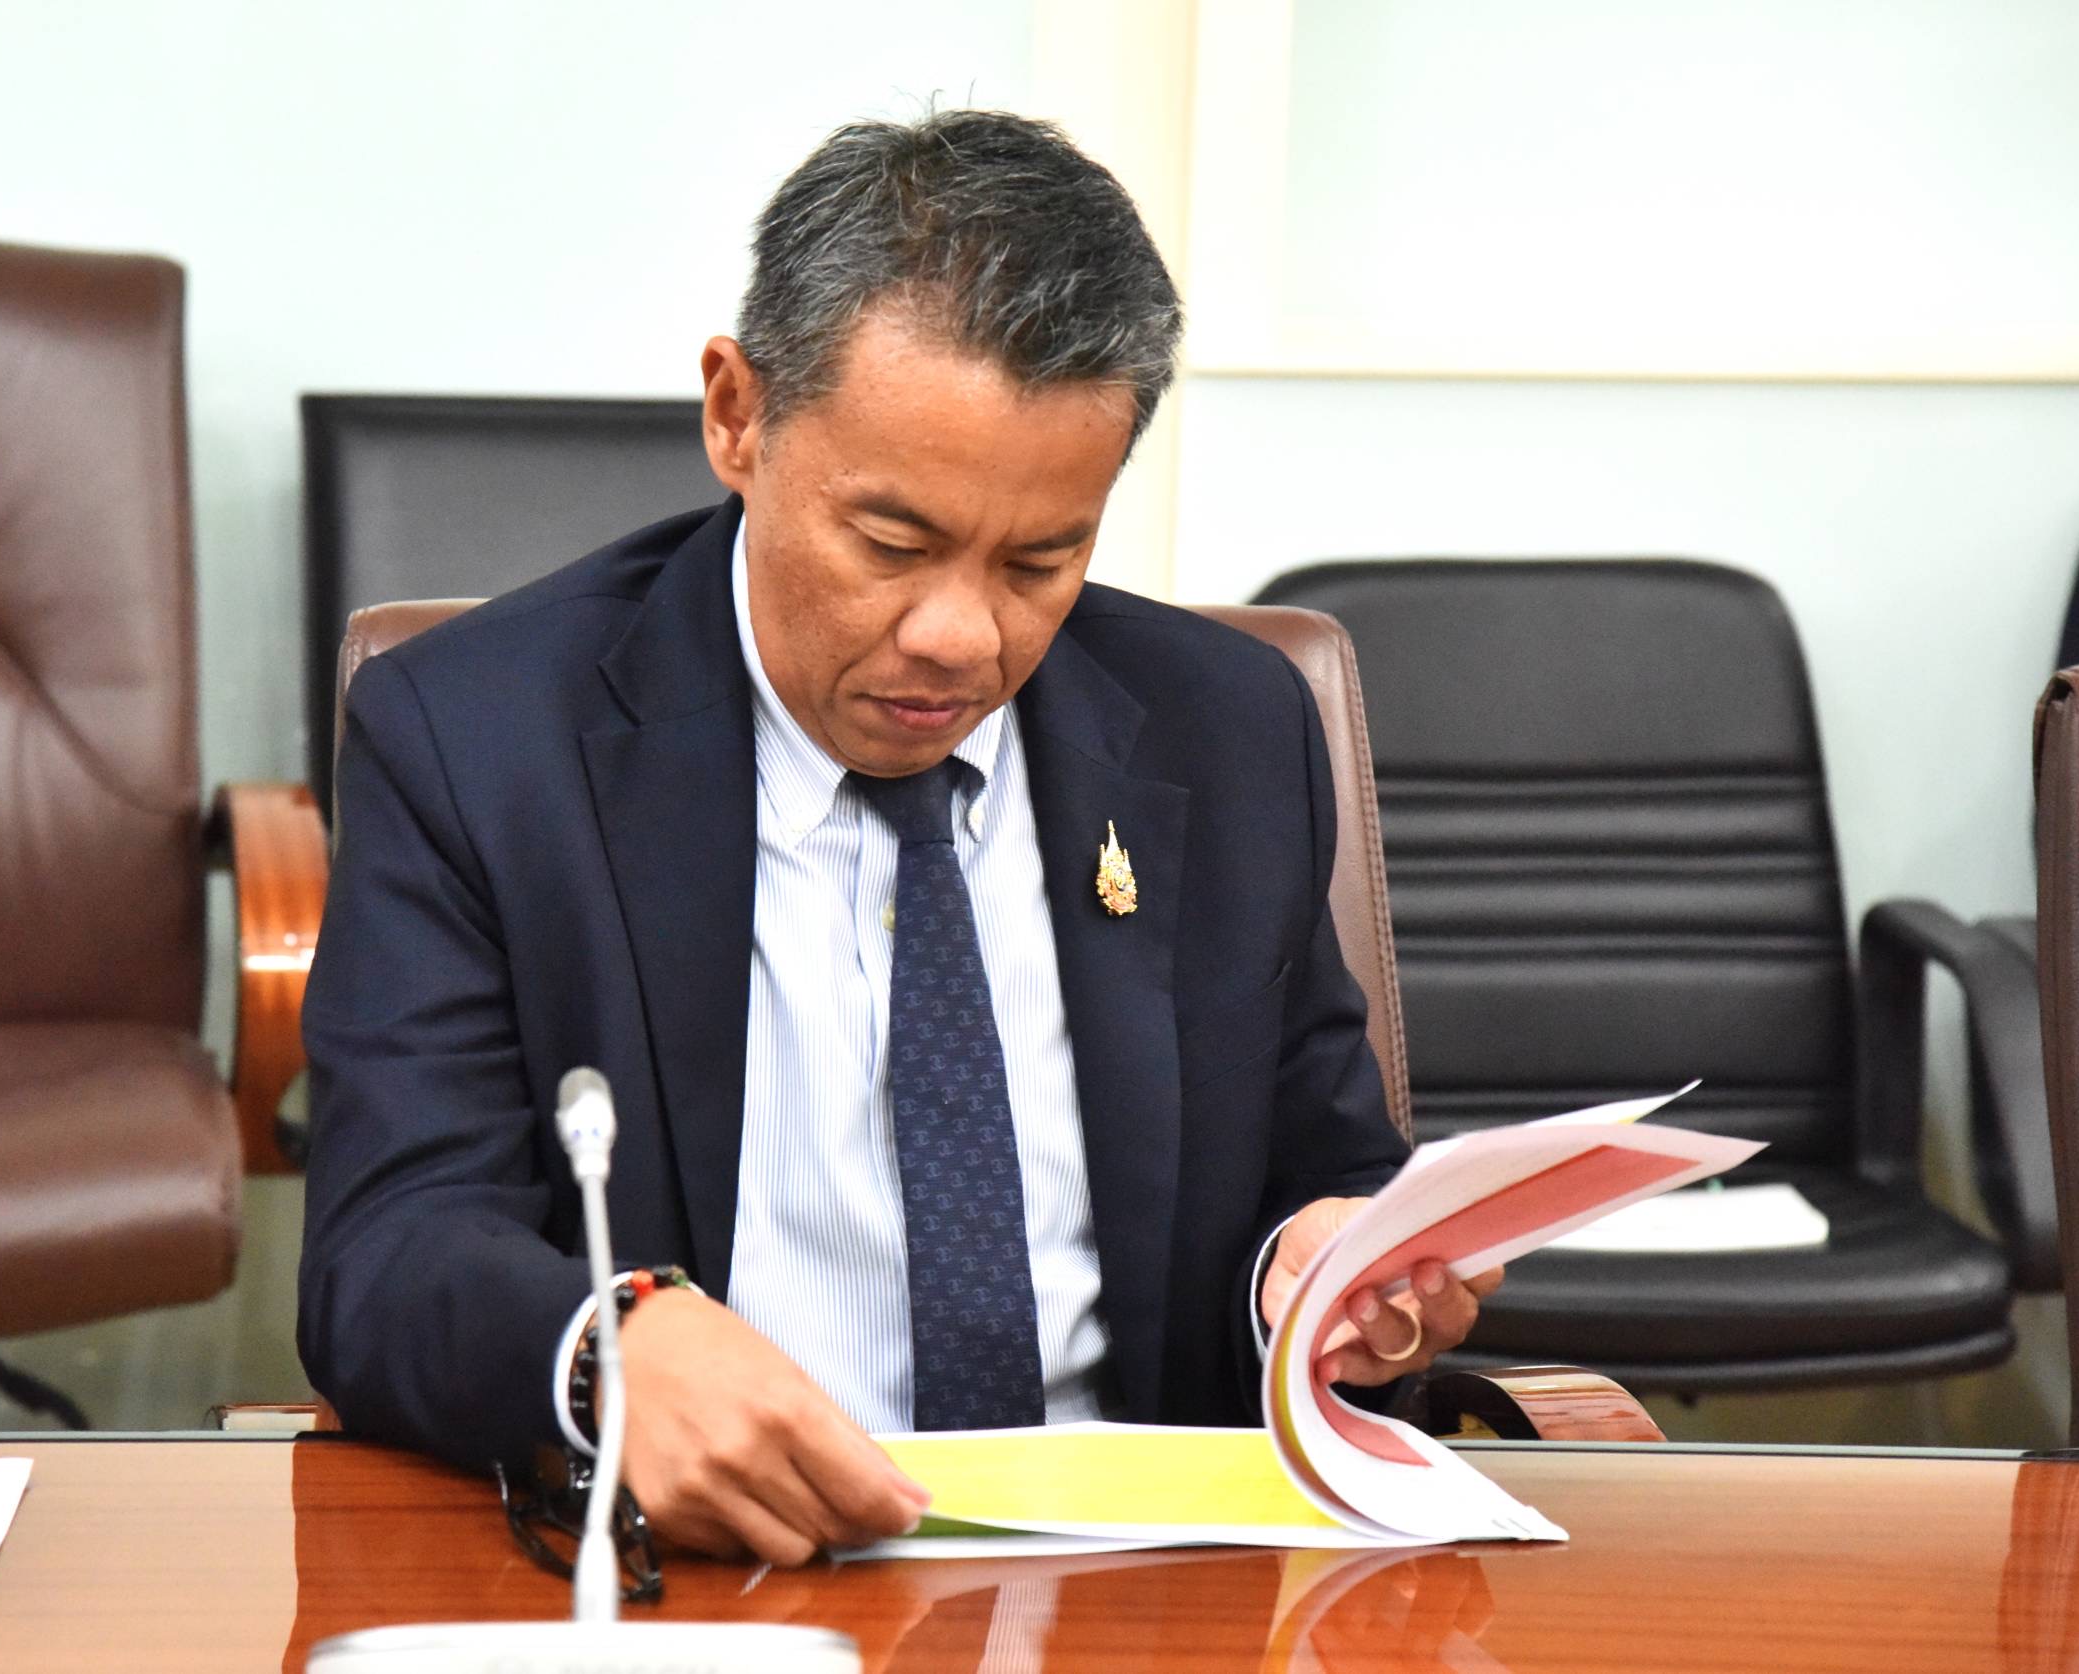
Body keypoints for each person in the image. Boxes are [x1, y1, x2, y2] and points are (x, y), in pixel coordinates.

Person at [299, 108, 1500, 1568]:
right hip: (717, 1570)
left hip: (1136, 1578)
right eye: (893, 545)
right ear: (738, 415)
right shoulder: (480, 738)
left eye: (1041, 559)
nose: (960, 637)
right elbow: (388, 1245)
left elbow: (1317, 1175)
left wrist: (1319, 1278)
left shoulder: (1225, 731)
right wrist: (604, 1339)